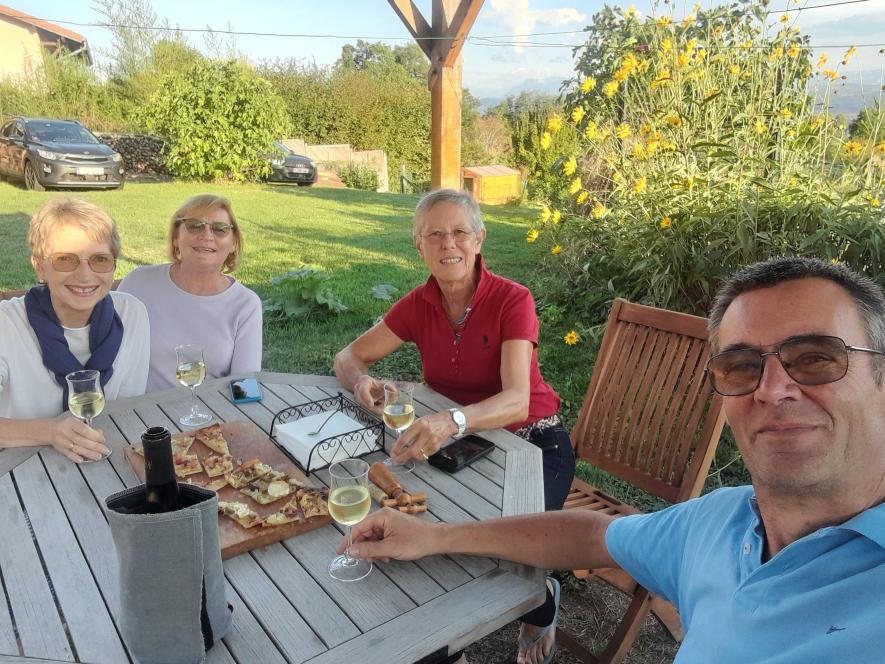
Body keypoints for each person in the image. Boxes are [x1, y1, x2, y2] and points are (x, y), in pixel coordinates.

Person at [340, 256, 885, 663]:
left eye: (817, 358)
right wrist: (434, 536)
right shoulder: (722, 523)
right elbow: (596, 536)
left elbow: (517, 400)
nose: (772, 388)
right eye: (741, 366)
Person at [333, 188, 575, 664]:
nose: (449, 244)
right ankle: (446, 649)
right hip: (461, 446)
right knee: (421, 539)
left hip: (534, 441)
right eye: (435, 234)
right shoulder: (418, 304)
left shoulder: (513, 299)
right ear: (418, 245)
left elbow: (517, 400)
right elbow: (348, 355)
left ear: (479, 239)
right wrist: (361, 380)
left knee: (504, 547)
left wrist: (453, 419)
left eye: (460, 231)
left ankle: (542, 601)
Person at [0, 198, 149, 462]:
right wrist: (49, 431)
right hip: (17, 467)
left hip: (106, 455)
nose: (84, 275)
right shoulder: (6, 324)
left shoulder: (132, 314)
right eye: (65, 259)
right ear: (39, 265)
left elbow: (126, 408)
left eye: (100, 259)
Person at [118, 193, 262, 391]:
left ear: (233, 243)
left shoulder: (245, 304)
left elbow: (245, 387)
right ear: (176, 237)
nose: (207, 235)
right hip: (140, 408)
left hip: (210, 409)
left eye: (220, 229)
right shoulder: (138, 283)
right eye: (194, 225)